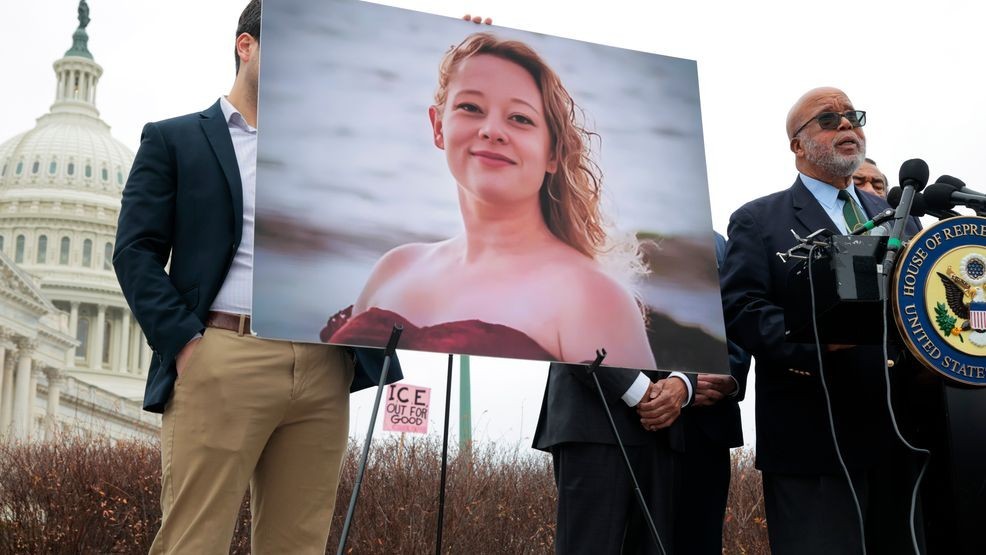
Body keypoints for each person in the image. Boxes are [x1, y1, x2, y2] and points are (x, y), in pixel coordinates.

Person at [113, 2, 400, 553]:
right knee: (193, 542)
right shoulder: (175, 141)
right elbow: (135, 253)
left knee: (299, 545)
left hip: (321, 367)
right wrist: (186, 344)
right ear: (246, 45)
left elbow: (415, 169)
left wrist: (462, 52)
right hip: (222, 353)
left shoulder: (330, 154)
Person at [320, 32, 655, 371]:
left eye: (520, 118)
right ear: (438, 127)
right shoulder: (394, 267)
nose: (492, 130)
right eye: (470, 108)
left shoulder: (592, 297)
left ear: (552, 152)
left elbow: (626, 422)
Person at [719, 87, 920, 554]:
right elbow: (741, 309)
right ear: (797, 145)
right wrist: (818, 344)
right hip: (813, 440)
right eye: (829, 120)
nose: (847, 126)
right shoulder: (758, 220)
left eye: (852, 117)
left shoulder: (899, 219)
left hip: (899, 438)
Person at [671, 231, 750, 555]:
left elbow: (739, 316)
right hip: (628, 419)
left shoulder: (718, 244)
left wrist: (731, 376)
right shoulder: (601, 236)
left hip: (705, 422)